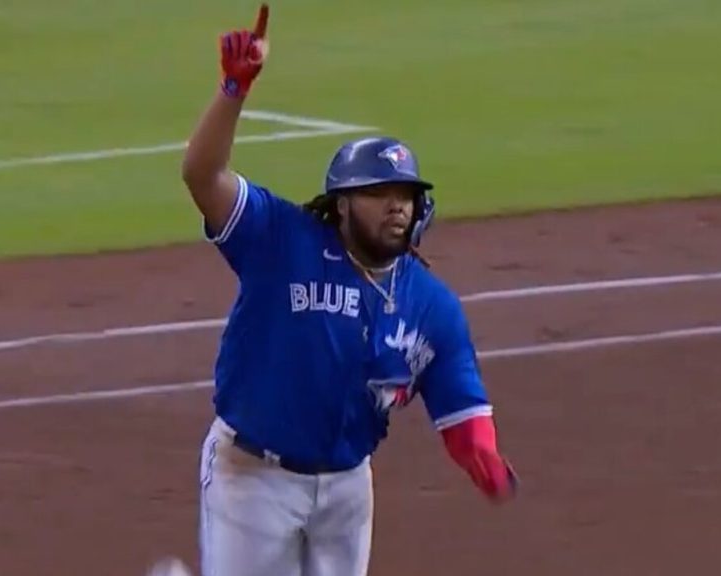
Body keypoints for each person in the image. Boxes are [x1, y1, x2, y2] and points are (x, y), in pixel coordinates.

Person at [180, 5, 518, 576]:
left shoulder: (430, 305)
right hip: (254, 478)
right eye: (380, 193)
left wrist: (484, 458)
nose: (397, 207)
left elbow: (459, 399)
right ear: (341, 204)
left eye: (406, 195)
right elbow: (201, 175)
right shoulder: (281, 239)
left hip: (346, 487)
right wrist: (234, 88)